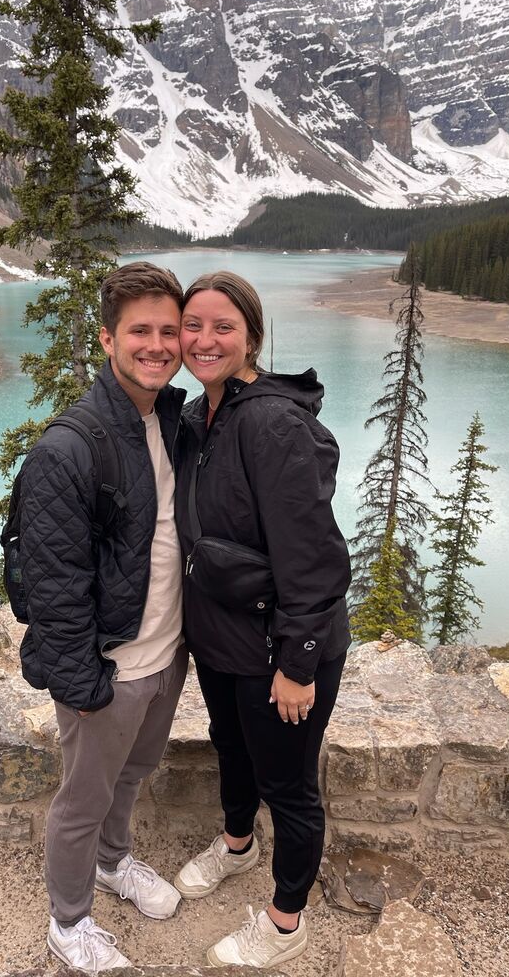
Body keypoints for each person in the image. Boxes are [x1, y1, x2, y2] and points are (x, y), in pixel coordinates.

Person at [172, 271, 351, 968]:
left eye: (223, 326)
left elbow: (312, 553)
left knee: (290, 785)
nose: (204, 339)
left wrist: (297, 662)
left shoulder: (271, 422)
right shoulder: (200, 416)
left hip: (279, 646)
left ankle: (285, 922)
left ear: (251, 335)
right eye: (194, 325)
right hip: (221, 637)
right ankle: (238, 845)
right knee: (232, 746)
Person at [17, 261, 189, 972]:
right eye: (139, 332)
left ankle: (115, 866)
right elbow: (53, 585)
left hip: (166, 654)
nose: (157, 345)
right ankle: (69, 921)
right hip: (110, 671)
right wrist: (80, 685)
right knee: (82, 800)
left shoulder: (173, 418)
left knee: (132, 775)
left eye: (168, 331)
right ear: (107, 340)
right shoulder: (70, 446)